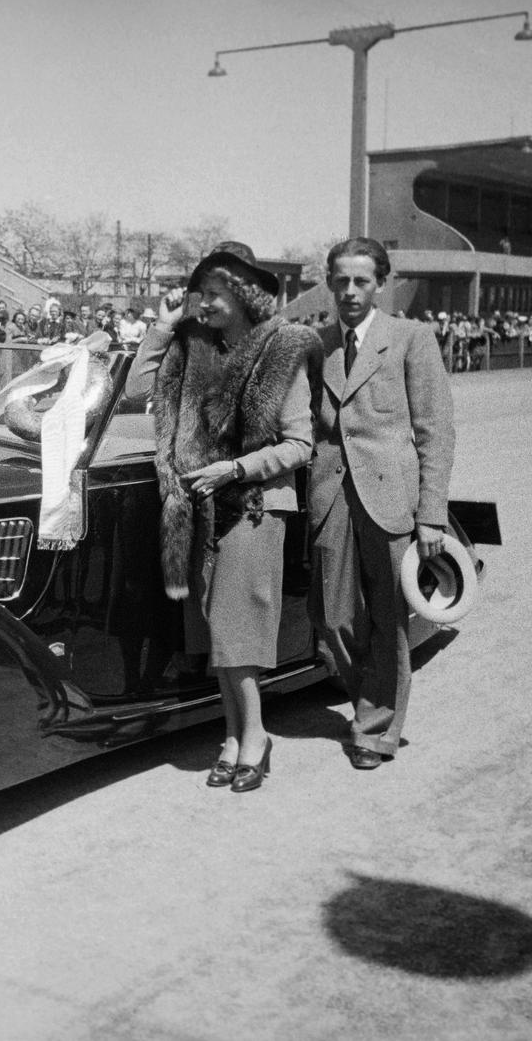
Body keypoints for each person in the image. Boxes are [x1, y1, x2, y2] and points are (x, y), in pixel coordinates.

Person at [125, 242, 320, 793]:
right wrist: (162, 329)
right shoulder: (192, 348)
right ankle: (233, 738)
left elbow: (300, 443)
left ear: (240, 294)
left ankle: (254, 735)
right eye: (201, 293)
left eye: (213, 293)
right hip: (203, 509)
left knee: (238, 633)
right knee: (218, 632)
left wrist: (235, 470)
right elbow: (137, 391)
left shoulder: (281, 350)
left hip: (256, 506)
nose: (202, 303)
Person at [309, 238, 456, 770]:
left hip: (392, 499)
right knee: (332, 618)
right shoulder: (316, 344)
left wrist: (431, 514)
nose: (350, 291)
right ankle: (368, 700)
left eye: (362, 281)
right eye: (341, 280)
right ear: (329, 282)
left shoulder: (411, 338)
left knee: (390, 619)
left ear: (381, 284)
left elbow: (434, 430)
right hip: (331, 498)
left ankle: (374, 729)